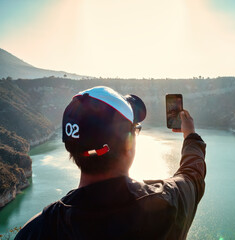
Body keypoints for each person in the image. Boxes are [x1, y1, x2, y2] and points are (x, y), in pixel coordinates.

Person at [15, 86, 206, 240]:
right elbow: (192, 174)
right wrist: (190, 135)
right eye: (135, 130)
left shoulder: (38, 230)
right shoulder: (166, 204)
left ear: (71, 147)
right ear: (128, 144)